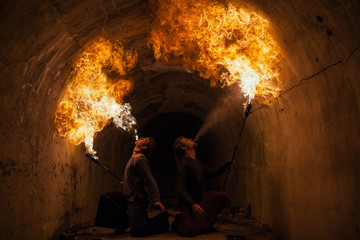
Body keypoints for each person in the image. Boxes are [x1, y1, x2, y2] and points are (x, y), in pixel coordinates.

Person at [94, 137, 170, 237]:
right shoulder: (135, 155)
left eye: (144, 139)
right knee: (106, 198)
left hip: (136, 199)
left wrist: (157, 199)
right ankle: (124, 223)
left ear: (143, 146)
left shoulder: (141, 160)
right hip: (127, 195)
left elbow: (150, 179)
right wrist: (127, 182)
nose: (141, 137)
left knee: (138, 232)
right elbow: (135, 175)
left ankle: (163, 221)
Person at [172, 136, 231, 237]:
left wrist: (227, 165)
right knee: (189, 230)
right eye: (187, 140)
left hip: (200, 198)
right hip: (187, 203)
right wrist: (192, 204)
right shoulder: (183, 164)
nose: (191, 139)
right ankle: (178, 220)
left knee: (223, 196)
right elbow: (180, 188)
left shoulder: (197, 161)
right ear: (184, 148)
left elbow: (211, 173)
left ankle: (206, 224)